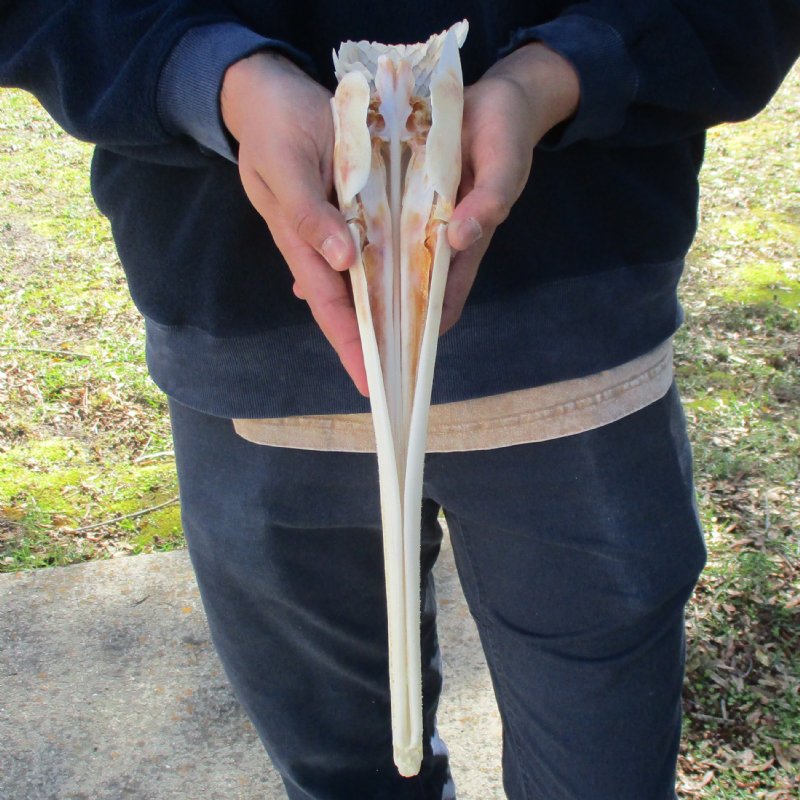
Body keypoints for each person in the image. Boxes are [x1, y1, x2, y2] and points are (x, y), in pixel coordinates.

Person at [2, 3, 798, 798]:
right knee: (346, 776)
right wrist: (214, 79)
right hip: (250, 342)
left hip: (576, 341)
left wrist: (554, 76)